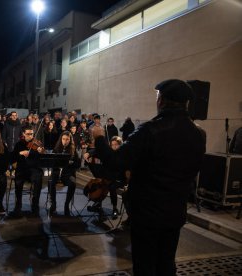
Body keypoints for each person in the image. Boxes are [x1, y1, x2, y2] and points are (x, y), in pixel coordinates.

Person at [94, 79, 206, 275]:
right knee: (166, 262)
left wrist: (98, 138)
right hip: (175, 212)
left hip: (147, 214)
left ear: (161, 100)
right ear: (186, 103)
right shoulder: (198, 134)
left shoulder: (149, 130)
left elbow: (115, 162)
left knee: (145, 264)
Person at [11, 125, 44, 216]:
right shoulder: (19, 144)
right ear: (23, 134)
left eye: (32, 134)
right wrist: (20, 153)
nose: (30, 136)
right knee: (18, 180)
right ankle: (18, 203)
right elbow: (13, 158)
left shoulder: (37, 144)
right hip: (22, 169)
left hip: (34, 169)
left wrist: (37, 151)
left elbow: (41, 157)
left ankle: (35, 203)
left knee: (38, 178)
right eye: (28, 134)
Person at [49, 131, 80, 216]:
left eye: (67, 139)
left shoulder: (73, 150)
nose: (65, 141)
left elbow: (78, 164)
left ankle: (66, 204)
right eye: (63, 139)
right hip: (57, 173)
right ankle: (53, 204)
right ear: (61, 139)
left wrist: (71, 163)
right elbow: (52, 163)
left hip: (68, 174)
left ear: (70, 140)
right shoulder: (56, 149)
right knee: (51, 182)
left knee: (72, 184)